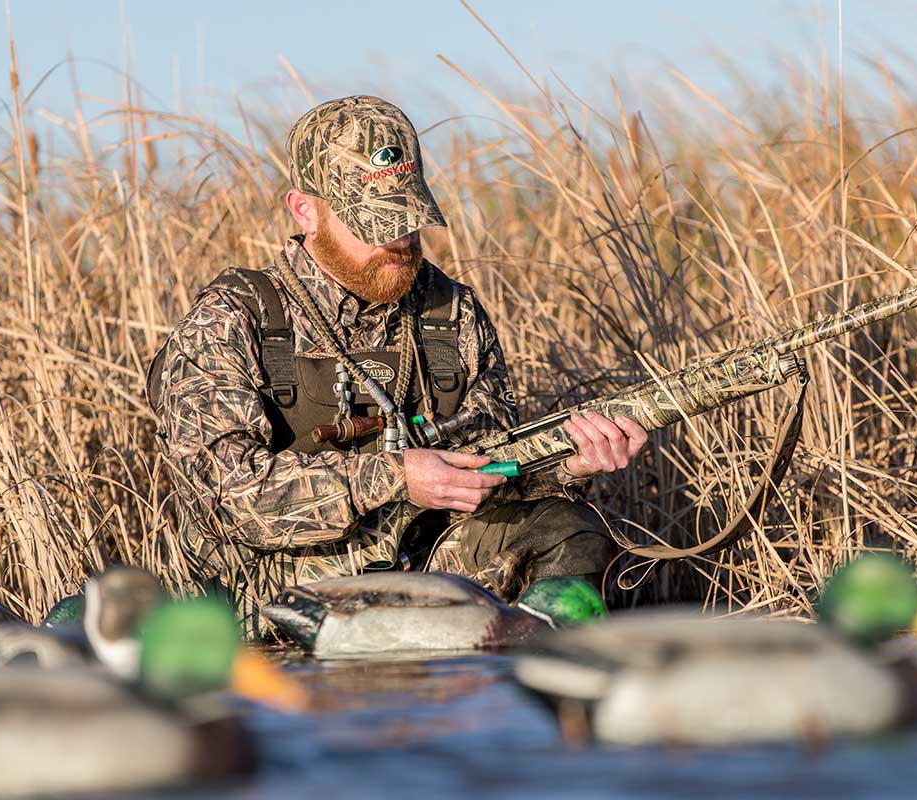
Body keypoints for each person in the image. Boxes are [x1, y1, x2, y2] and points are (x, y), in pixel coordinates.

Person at [147, 96, 648, 629]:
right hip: (277, 599)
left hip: (430, 577)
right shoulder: (230, 318)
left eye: (406, 218)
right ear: (305, 210)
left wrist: (569, 468)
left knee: (568, 528)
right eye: (374, 222)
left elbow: (492, 474)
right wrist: (393, 476)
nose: (398, 240)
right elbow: (229, 498)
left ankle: (529, 694)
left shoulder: (452, 312)